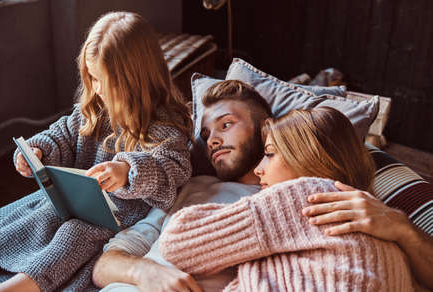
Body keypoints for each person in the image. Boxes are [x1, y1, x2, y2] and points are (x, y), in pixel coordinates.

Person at [93, 80, 433, 291]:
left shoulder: (336, 205)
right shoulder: (190, 185)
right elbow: (105, 264)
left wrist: (403, 229)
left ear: (265, 129)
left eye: (227, 124)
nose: (212, 140)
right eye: (206, 133)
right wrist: (144, 273)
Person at [0, 11, 192, 292]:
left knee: (74, 237)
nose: (96, 88)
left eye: (105, 81)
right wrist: (38, 151)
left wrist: (127, 170)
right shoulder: (94, 112)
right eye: (92, 78)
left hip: (111, 220)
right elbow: (62, 135)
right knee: (32, 217)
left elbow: (174, 168)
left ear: (137, 78)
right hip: (72, 203)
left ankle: (15, 287)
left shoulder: (165, 127)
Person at [159, 106, 413, 291]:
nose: (259, 169)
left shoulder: (310, 196)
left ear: (308, 156)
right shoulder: (382, 231)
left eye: (269, 154)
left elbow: (177, 242)